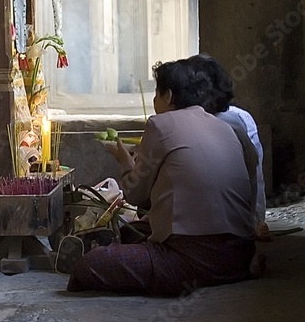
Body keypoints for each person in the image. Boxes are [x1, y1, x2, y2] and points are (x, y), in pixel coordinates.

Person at [67, 59, 257, 295]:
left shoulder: (160, 124)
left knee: (90, 264)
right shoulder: (222, 126)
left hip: (190, 258)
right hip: (241, 252)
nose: (154, 102)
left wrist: (124, 160)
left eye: (156, 94)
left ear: (168, 96)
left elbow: (135, 195)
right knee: (132, 230)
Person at [186, 53, 266, 224]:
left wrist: (256, 220)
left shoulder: (234, 122)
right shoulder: (240, 118)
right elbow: (255, 176)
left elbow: (254, 176)